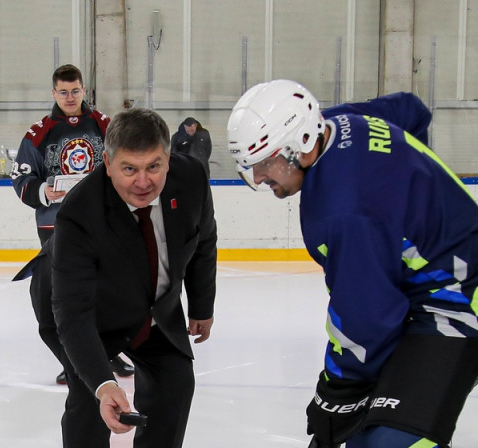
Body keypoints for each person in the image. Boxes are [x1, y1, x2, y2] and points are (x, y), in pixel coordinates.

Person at [227, 79, 478, 448]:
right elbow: (411, 109)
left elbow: (365, 319)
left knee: (387, 442)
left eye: (267, 163)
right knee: (363, 429)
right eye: (251, 168)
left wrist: (336, 389)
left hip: (459, 299)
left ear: (304, 146)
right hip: (419, 292)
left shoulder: (342, 213)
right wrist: (408, 193)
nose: (261, 178)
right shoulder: (341, 122)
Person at [47, 107, 218, 447]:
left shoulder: (191, 179)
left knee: (176, 384)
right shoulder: (79, 214)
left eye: (154, 166)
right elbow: (73, 313)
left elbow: (203, 239)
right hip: (92, 317)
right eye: (129, 169)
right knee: (89, 404)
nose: (143, 181)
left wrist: (201, 306)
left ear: (168, 158)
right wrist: (103, 384)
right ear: (108, 165)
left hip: (154, 311)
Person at [11, 63, 134, 384]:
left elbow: (126, 163)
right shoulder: (38, 133)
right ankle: (74, 359)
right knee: (66, 295)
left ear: (84, 91)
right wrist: (44, 191)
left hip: (102, 221)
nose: (69, 97)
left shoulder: (105, 125)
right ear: (54, 93)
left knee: (105, 292)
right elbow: (21, 176)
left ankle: (109, 353)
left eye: (75, 91)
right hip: (56, 226)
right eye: (63, 92)